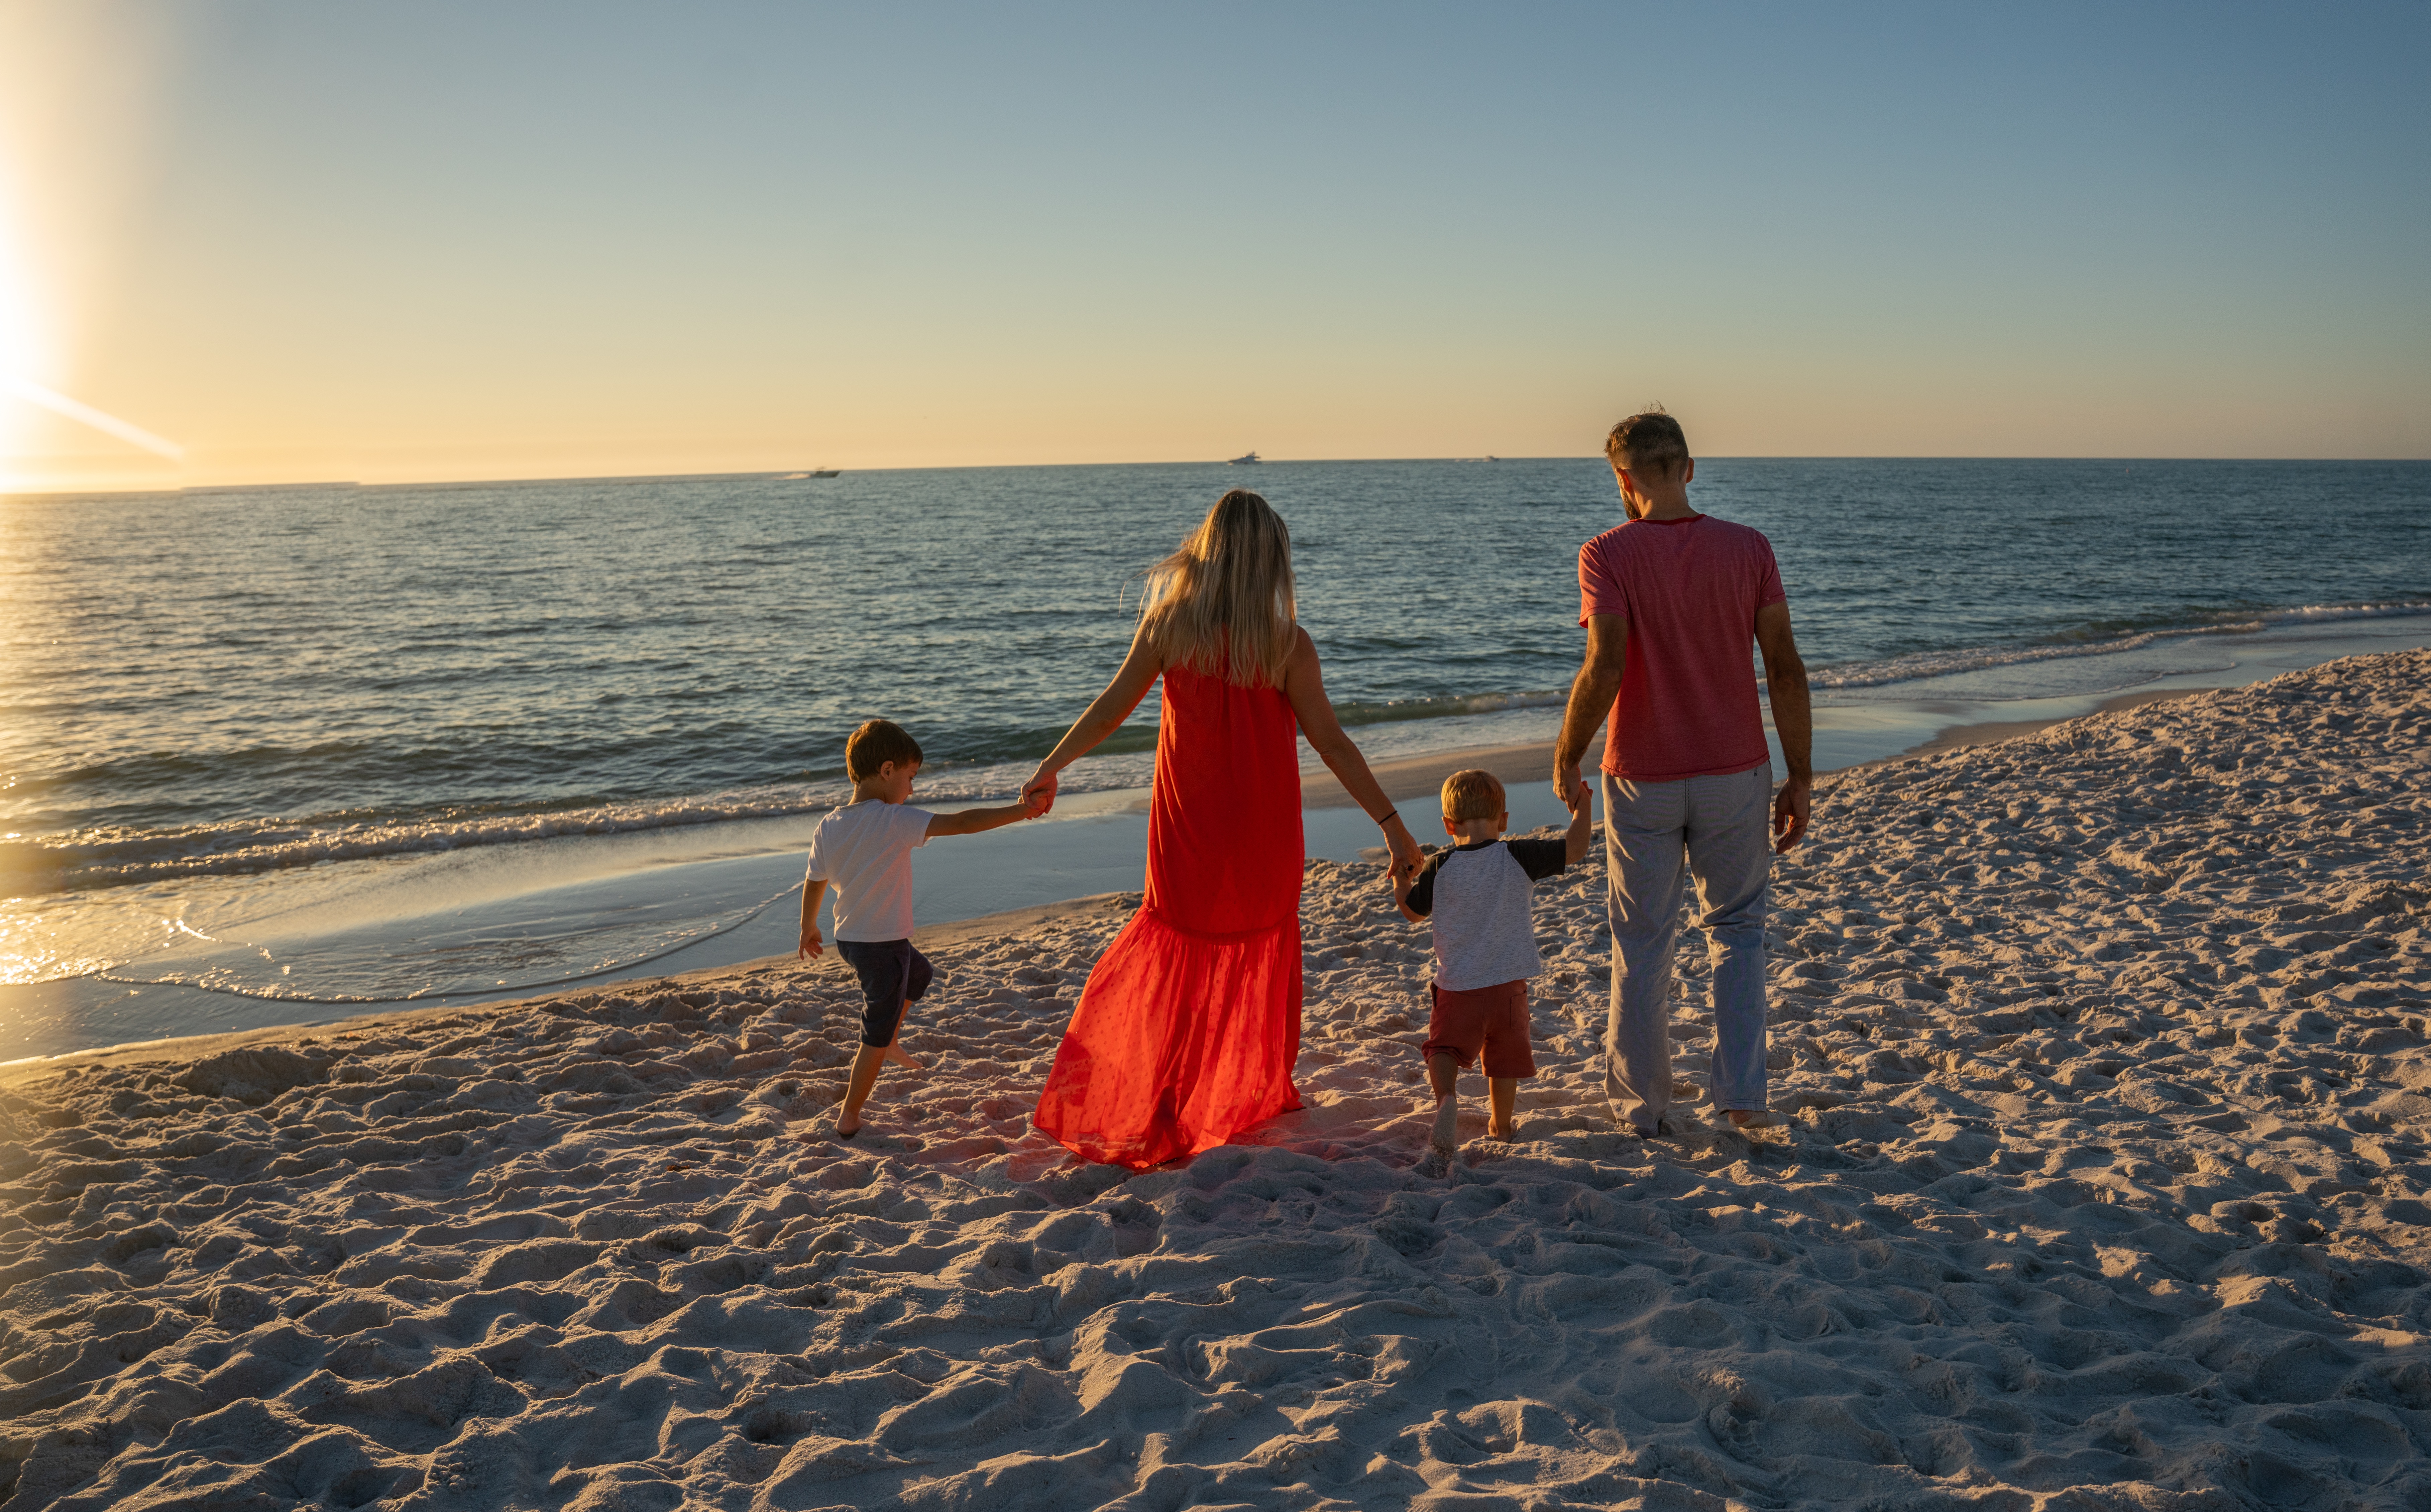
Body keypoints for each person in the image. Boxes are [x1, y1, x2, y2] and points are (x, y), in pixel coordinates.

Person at [1020, 489, 1426, 1169]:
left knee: (1177, 946)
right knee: (1248, 952)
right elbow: (1330, 742)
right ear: (1272, 561)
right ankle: (1235, 1094)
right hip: (1264, 830)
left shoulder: (1169, 626)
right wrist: (1391, 825)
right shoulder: (1286, 644)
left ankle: (1164, 1100)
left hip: (1188, 826)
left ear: (1205, 553)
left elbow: (1109, 708)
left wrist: (1050, 765)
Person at [1552, 408, 1813, 1137]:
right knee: (1737, 931)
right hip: (1736, 768)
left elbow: (1604, 664)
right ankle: (1740, 1098)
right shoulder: (1749, 547)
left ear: (1621, 478)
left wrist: (1566, 751)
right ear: (1688, 469)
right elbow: (1784, 668)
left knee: (1641, 939)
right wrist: (1801, 773)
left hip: (1642, 773)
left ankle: (1640, 1108)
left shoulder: (1604, 552)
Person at [799, 718, 1038, 1139]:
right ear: (887, 770)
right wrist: (1023, 811)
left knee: (921, 973)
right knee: (874, 1028)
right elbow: (963, 823)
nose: (912, 789)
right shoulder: (892, 819)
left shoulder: (829, 824)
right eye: (910, 778)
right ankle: (850, 1114)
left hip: (850, 940)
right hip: (881, 944)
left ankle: (888, 1038)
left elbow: (814, 878)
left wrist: (808, 925)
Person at [1392, 768, 1591, 1153]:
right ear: (1503, 819)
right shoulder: (1518, 855)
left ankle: (1447, 1098)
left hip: (1458, 987)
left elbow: (1413, 913)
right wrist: (1582, 807)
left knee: (1443, 1049)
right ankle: (1501, 1127)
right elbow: (1575, 848)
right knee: (1503, 1060)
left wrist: (1402, 883)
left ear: (1449, 825)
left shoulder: (1439, 865)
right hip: (1509, 988)